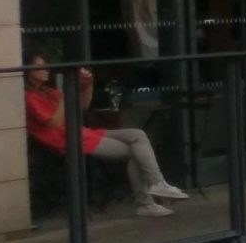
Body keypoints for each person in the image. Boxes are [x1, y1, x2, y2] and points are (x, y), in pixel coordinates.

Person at [23, 54, 185, 218]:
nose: (46, 70)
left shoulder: (49, 92)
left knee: (138, 134)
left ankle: (157, 184)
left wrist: (88, 84)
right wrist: (68, 92)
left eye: (45, 65)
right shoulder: (29, 97)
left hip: (80, 132)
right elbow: (54, 123)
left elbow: (83, 106)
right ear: (28, 71)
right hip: (65, 140)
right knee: (136, 151)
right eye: (40, 67)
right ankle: (146, 202)